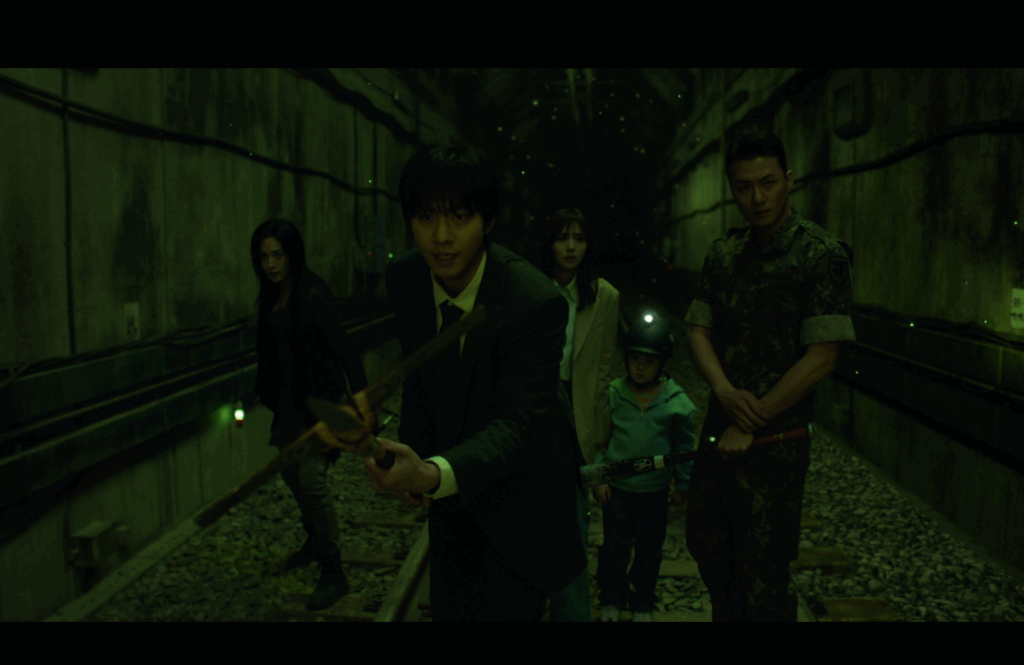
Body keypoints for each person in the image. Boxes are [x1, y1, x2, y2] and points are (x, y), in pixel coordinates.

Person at [315, 144, 587, 621]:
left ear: (488, 220)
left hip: (521, 504)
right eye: (425, 217)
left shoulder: (534, 302)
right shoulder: (408, 277)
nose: (441, 237)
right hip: (450, 505)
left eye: (459, 217)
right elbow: (422, 377)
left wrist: (430, 472)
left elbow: (519, 425)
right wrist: (404, 452)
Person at [684, 129, 856, 621]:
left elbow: (821, 357)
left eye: (767, 183)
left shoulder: (819, 255)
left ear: (789, 180)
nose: (757, 198)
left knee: (763, 575)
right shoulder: (724, 254)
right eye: (743, 187)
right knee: (708, 546)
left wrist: (751, 419)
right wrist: (724, 391)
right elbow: (698, 331)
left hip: (776, 443)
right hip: (720, 430)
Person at [250, 218, 377, 612]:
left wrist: (362, 401)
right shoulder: (269, 298)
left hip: (321, 407)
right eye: (264, 257)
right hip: (288, 408)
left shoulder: (314, 295)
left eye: (277, 255)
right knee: (292, 474)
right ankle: (314, 540)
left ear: (291, 254)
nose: (271, 264)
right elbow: (269, 353)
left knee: (310, 478)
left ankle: (333, 569)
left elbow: (346, 350)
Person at [537, 209, 622, 622]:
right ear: (548, 243)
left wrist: (602, 441)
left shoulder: (604, 296)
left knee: (572, 524)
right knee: (528, 517)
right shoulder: (530, 286)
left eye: (579, 239)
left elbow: (604, 370)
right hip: (534, 409)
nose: (571, 247)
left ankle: (570, 614)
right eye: (562, 238)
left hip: (578, 417)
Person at [591, 312, 697, 622]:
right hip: (618, 490)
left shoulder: (675, 402)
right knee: (615, 548)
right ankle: (611, 599)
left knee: (649, 549)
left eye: (648, 361)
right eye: (634, 359)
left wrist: (683, 485)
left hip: (655, 491)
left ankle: (642, 601)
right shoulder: (614, 394)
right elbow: (599, 439)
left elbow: (683, 447)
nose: (639, 367)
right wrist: (599, 476)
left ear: (662, 363)